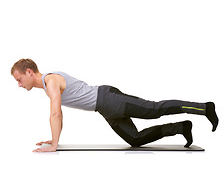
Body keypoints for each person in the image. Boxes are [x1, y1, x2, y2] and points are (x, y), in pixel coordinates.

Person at [11, 59, 219, 153]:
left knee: (154, 109)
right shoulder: (48, 87)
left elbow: (56, 113)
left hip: (108, 99)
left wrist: (55, 145)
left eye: (19, 79)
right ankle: (181, 127)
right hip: (105, 108)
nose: (19, 85)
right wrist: (53, 139)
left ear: (29, 72)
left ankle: (204, 107)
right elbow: (56, 113)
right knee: (135, 140)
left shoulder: (51, 80)